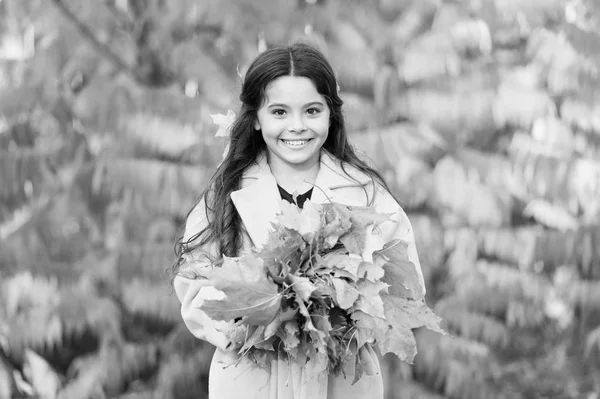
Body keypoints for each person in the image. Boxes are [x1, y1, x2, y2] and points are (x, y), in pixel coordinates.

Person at [171, 42, 426, 399]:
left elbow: (406, 282)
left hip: (342, 382)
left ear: (330, 115)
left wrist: (345, 298)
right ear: (256, 119)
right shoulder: (226, 191)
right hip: (250, 380)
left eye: (311, 111)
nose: (296, 126)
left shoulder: (365, 192)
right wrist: (253, 305)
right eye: (279, 112)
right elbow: (193, 283)